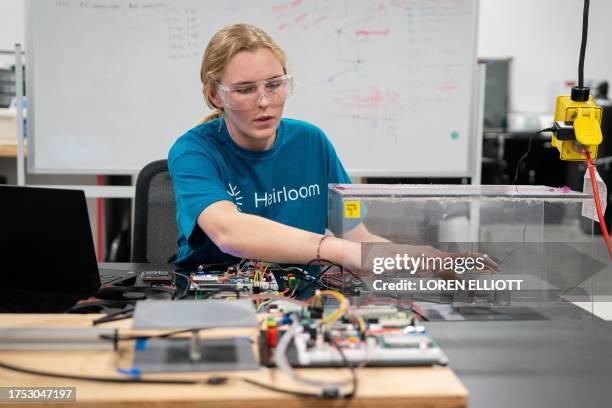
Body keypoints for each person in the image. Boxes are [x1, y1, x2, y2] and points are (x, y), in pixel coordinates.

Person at [168, 23, 381, 271]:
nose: (265, 101)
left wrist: (419, 259)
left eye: (274, 84)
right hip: (215, 300)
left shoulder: (312, 142)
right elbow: (228, 233)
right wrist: (334, 249)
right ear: (216, 96)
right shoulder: (193, 152)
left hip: (305, 301)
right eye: (245, 89)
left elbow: (357, 238)